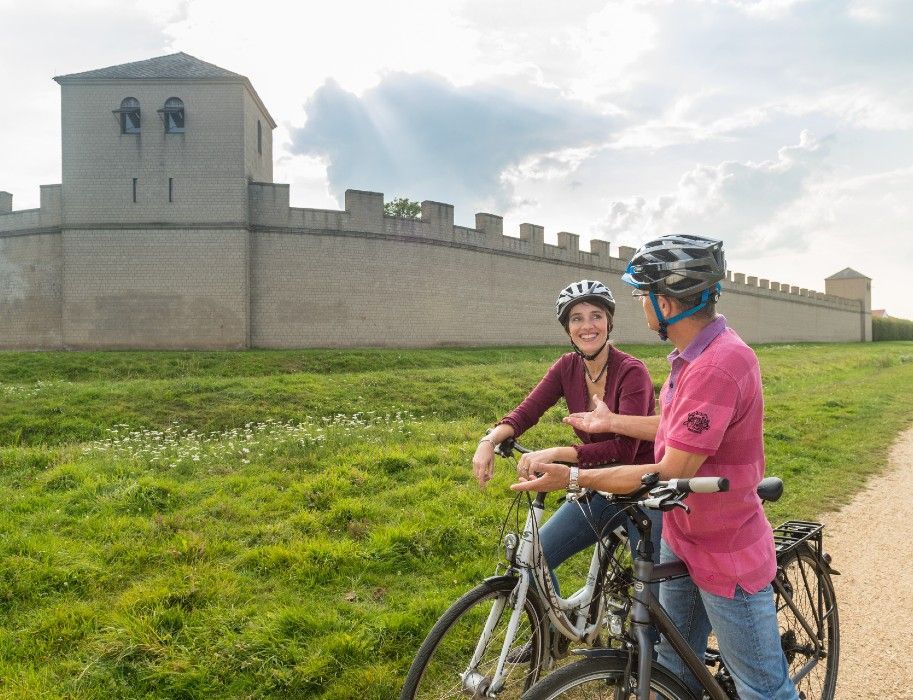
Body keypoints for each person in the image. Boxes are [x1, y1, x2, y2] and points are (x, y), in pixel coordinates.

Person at [512, 235, 799, 700]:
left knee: (762, 689)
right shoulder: (693, 356)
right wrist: (609, 421)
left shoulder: (718, 364)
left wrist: (574, 476)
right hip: (681, 535)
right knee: (672, 665)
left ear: (665, 301)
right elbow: (675, 424)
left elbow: (668, 468)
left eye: (643, 294)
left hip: (725, 550)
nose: (641, 303)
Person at [472, 279, 660, 594]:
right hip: (596, 485)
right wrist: (488, 441)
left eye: (596, 315)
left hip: (642, 488)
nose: (588, 326)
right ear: (567, 329)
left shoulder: (632, 372)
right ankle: (554, 639)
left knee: (654, 597)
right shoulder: (567, 367)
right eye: (577, 318)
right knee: (533, 557)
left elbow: (623, 452)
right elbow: (525, 413)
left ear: (609, 322)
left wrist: (557, 452)